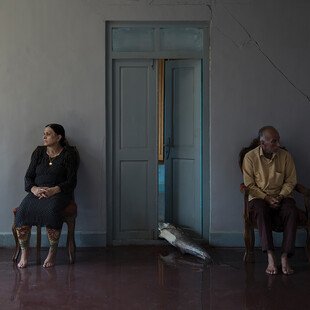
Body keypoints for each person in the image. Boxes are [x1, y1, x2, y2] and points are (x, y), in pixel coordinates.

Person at [15, 124, 79, 268]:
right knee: (22, 211)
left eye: (48, 134)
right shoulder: (38, 152)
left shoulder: (69, 154)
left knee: (51, 211)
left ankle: (52, 253)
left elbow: (71, 181)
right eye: (44, 133)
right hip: (37, 193)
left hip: (59, 193)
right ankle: (25, 254)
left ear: (59, 137)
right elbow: (28, 176)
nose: (44, 136)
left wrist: (54, 190)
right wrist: (35, 189)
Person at [242, 126, 298, 275]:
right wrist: (266, 198)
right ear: (262, 143)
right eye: (274, 142)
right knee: (260, 209)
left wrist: (280, 196)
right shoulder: (249, 158)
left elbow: (291, 182)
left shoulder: (286, 156)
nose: (278, 145)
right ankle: (270, 256)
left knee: (291, 209)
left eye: (278, 140)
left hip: (282, 196)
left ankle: (285, 256)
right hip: (260, 198)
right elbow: (250, 185)